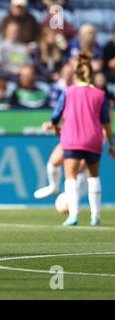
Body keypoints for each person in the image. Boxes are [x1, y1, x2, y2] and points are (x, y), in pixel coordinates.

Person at [51, 52, 115, 226]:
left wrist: (56, 128)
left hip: (72, 138)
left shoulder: (68, 92)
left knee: (70, 177)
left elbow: (55, 115)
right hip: (94, 139)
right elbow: (106, 122)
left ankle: (73, 216)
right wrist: (111, 144)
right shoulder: (100, 95)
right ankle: (95, 216)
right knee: (93, 176)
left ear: (75, 74)